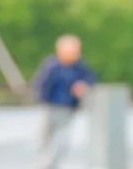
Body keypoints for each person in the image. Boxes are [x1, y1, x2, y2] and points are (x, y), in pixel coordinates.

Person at [33, 34, 96, 169]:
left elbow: (90, 80)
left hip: (67, 108)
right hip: (50, 106)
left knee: (62, 138)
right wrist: (42, 99)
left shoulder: (80, 67)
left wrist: (83, 86)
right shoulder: (52, 66)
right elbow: (41, 83)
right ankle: (43, 161)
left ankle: (50, 164)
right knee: (44, 136)